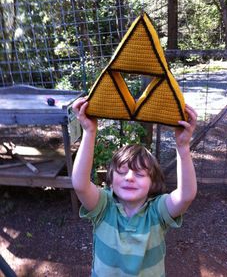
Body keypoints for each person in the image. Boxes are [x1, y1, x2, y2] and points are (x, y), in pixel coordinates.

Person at [72, 97, 198, 277]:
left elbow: (186, 196)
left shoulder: (157, 212)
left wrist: (183, 147)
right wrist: (89, 132)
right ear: (110, 180)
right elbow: (80, 184)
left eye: (139, 174)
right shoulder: (103, 207)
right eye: (122, 172)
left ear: (153, 183)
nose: (129, 177)